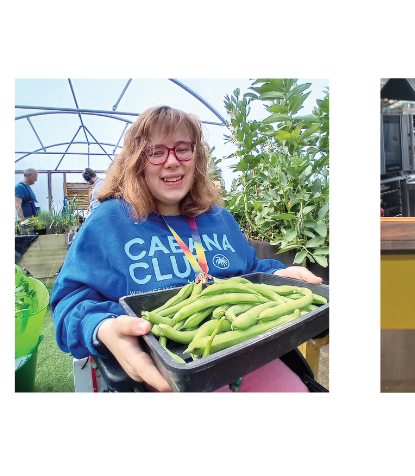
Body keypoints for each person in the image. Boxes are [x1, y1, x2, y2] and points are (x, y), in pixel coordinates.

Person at [50, 106, 324, 393]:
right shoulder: (109, 223)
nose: (172, 162)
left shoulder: (219, 218)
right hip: (167, 370)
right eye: (156, 151)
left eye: (183, 149)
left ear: (197, 158)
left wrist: (282, 274)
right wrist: (103, 328)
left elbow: (252, 271)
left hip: (247, 355)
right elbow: (71, 302)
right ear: (136, 160)